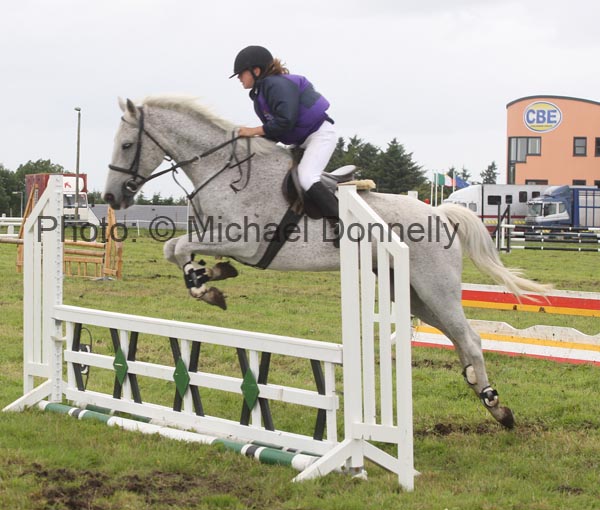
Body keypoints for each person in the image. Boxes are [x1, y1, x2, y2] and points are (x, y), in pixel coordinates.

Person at [230, 45, 339, 244]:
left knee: (307, 177)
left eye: (241, 73)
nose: (238, 78)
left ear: (256, 71)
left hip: (319, 135)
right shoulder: (260, 93)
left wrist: (252, 131)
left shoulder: (275, 84)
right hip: (300, 141)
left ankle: (340, 222)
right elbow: (275, 132)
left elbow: (285, 121)